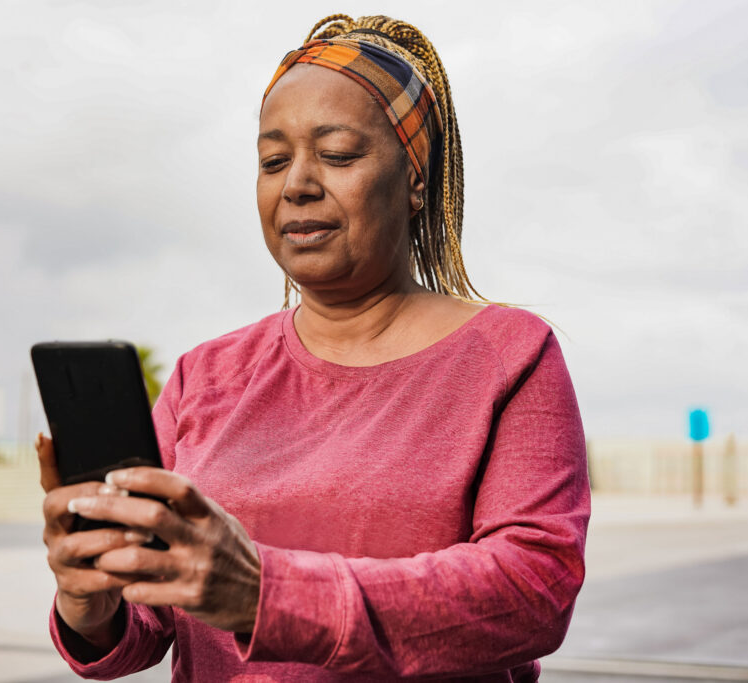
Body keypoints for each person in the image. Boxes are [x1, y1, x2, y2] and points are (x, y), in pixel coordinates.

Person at [36, 14, 589, 682]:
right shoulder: (203, 375)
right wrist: (91, 601)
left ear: (415, 180)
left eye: (337, 154)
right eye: (273, 160)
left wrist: (266, 594)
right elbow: (148, 626)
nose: (296, 182)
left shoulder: (511, 354)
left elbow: (534, 590)